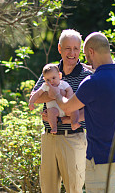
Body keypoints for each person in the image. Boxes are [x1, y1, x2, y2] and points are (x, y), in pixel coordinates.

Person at [47, 32, 115, 193]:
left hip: (99, 158)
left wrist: (57, 94)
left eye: (87, 57)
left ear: (92, 52)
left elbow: (67, 107)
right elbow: (105, 84)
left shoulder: (92, 83)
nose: (88, 62)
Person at [30, 29, 92, 193]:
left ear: (80, 50)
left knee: (74, 189)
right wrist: (56, 95)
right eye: (67, 48)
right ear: (59, 48)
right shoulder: (51, 71)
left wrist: (65, 116)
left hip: (73, 139)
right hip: (49, 138)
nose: (72, 53)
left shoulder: (87, 76)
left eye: (76, 49)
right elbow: (34, 96)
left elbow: (92, 110)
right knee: (48, 189)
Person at [29, 64, 80, 133]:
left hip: (66, 107)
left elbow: (69, 90)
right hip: (54, 109)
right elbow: (37, 93)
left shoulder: (63, 84)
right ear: (44, 80)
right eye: (48, 80)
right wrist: (31, 102)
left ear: (59, 76)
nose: (51, 81)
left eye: (53, 78)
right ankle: (54, 127)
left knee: (74, 109)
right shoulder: (45, 86)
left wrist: (68, 99)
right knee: (50, 112)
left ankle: (74, 123)